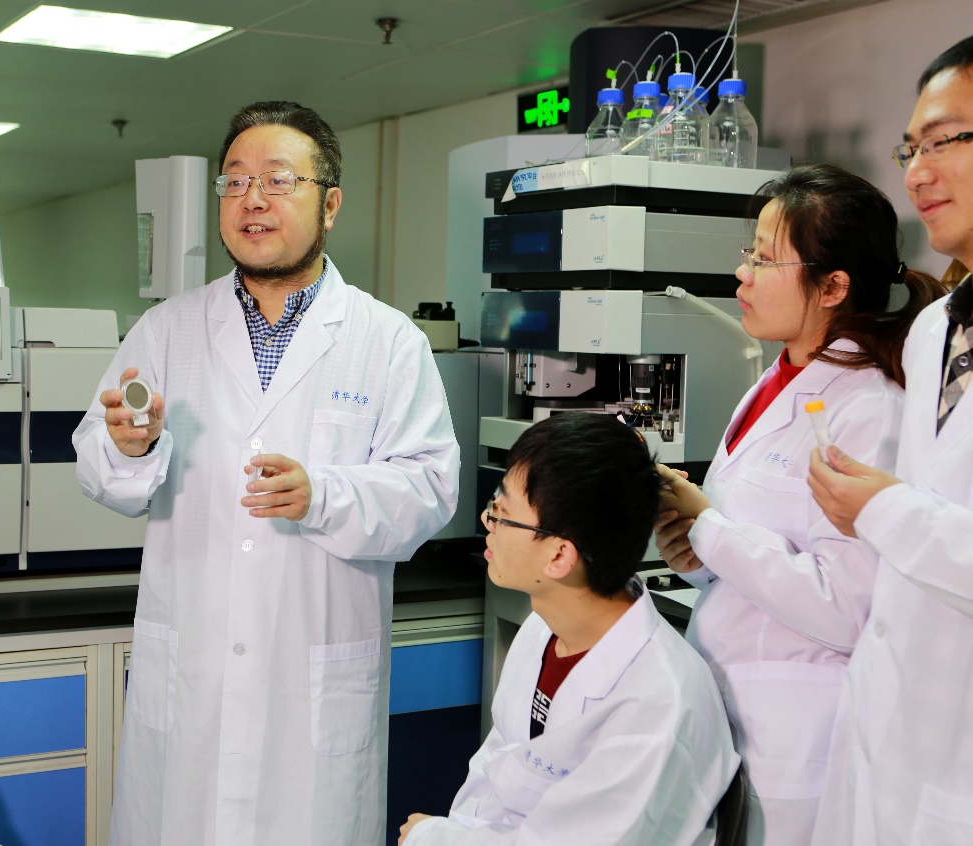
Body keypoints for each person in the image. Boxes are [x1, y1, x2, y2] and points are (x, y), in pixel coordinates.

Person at [73, 101, 460, 846]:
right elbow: (100, 468)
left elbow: (430, 490)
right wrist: (129, 447)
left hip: (312, 680)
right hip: (193, 676)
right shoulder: (166, 329)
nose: (253, 199)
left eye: (279, 180)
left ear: (330, 204)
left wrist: (325, 495)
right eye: (236, 181)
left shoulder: (387, 342)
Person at [654, 163, 944, 845]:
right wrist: (696, 552)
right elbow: (762, 545)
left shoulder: (869, 407)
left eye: (763, 259)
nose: (742, 275)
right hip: (730, 707)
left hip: (800, 735)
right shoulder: (776, 381)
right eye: (747, 254)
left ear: (834, 286)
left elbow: (847, 608)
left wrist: (710, 528)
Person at [397, 412, 737, 846]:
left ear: (559, 557)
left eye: (502, 512)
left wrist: (433, 838)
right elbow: (497, 769)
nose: (487, 521)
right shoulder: (545, 628)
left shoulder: (656, 706)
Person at [808, 36, 973, 844]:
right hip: (896, 724)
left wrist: (886, 510)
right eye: (910, 149)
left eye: (943, 141)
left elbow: (915, 519)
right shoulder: (936, 328)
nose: (915, 172)